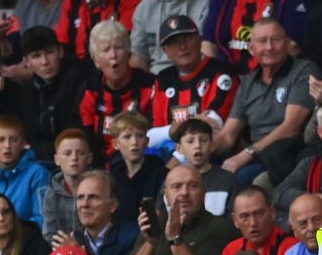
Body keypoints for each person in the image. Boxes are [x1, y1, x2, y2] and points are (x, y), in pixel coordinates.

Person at [212, 19, 319, 185]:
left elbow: (291, 127)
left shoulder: (303, 71)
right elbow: (227, 136)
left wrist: (246, 154)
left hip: (286, 157)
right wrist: (196, 151)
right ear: (251, 48)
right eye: (262, 41)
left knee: (236, 182)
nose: (269, 47)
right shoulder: (248, 82)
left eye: (275, 40)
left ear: (287, 43)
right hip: (255, 157)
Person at [149, 15, 239, 151]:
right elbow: (150, 136)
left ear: (199, 39)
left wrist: (172, 130)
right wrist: (171, 130)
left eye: (187, 38)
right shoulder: (163, 79)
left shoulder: (221, 73)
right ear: (165, 51)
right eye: (174, 42)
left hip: (212, 156)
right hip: (169, 153)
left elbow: (212, 126)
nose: (182, 46)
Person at [75, 20, 156, 160]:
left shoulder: (150, 85)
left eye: (118, 47)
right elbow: (85, 138)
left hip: (145, 163)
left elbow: (157, 133)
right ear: (96, 60)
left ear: (129, 53)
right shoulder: (90, 91)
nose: (113, 55)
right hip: (101, 167)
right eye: (106, 50)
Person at [18, 28, 87, 162]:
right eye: (36, 56)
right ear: (26, 62)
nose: (45, 62)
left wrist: (35, 151)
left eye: (50, 52)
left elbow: (74, 133)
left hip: (71, 159)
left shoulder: (78, 81)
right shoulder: (28, 90)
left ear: (60, 52)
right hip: (38, 159)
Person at [0, 116, 52, 228]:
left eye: (13, 140)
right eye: (1, 140)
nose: (7, 146)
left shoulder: (38, 173)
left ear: (23, 143)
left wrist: (9, 232)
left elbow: (43, 219)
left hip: (28, 241)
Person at [167, 119, 241, 217]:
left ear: (212, 145)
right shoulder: (170, 181)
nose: (198, 146)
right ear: (178, 148)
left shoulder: (228, 181)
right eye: (190, 141)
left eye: (203, 140)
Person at [107, 112, 168, 226]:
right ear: (115, 144)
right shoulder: (111, 177)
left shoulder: (162, 174)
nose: (134, 142)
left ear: (147, 141)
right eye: (127, 136)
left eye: (140, 136)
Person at [42, 130, 94, 243]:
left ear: (89, 158)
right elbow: (49, 233)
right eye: (67, 153)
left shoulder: (99, 188)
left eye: (80, 153)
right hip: (61, 253)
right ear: (57, 160)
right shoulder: (51, 195)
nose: (74, 157)